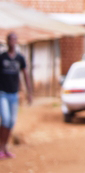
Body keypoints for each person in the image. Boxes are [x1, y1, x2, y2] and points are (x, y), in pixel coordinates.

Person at [0, 32, 33, 160]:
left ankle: (5, 148)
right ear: (7, 41)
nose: (12, 42)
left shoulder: (20, 58)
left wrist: (29, 92)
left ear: (17, 41)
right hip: (2, 93)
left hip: (14, 94)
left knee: (11, 122)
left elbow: (25, 75)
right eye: (10, 39)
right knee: (6, 120)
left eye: (14, 39)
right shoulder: (2, 57)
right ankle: (1, 147)